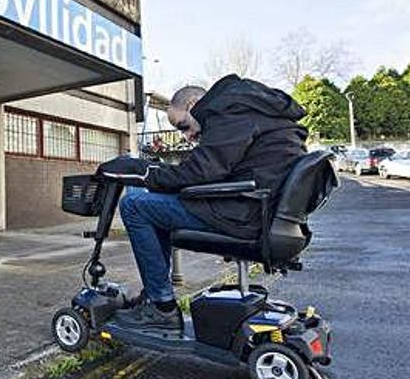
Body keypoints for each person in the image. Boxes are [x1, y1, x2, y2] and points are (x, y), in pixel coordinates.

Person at [97, 74, 308, 332]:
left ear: (194, 104)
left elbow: (202, 171)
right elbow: (216, 168)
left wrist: (144, 171)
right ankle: (156, 294)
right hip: (258, 209)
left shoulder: (230, 112)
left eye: (183, 126)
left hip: (245, 213)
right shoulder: (255, 109)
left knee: (134, 205)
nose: (187, 136)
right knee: (156, 207)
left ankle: (161, 308)